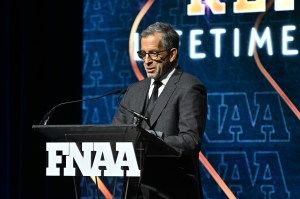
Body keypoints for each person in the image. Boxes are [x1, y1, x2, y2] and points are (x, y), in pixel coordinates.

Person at [112, 22, 207, 199]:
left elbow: (191, 140)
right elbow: (117, 135)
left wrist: (151, 139)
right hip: (134, 192)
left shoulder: (190, 87)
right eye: (143, 54)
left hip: (172, 191)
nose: (146, 61)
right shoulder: (134, 90)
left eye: (154, 53)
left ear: (172, 54)